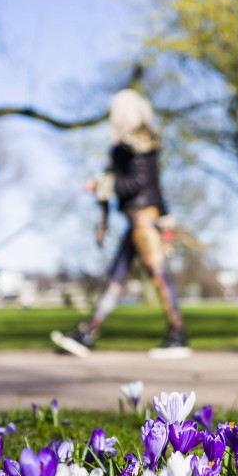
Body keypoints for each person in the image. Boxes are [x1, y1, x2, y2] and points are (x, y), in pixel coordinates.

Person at [51, 88, 190, 359]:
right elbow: (148, 184)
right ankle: (89, 330)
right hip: (138, 219)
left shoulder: (137, 143)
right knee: (116, 277)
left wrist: (103, 184)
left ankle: (178, 334)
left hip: (143, 220)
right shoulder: (129, 145)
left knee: (158, 275)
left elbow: (140, 183)